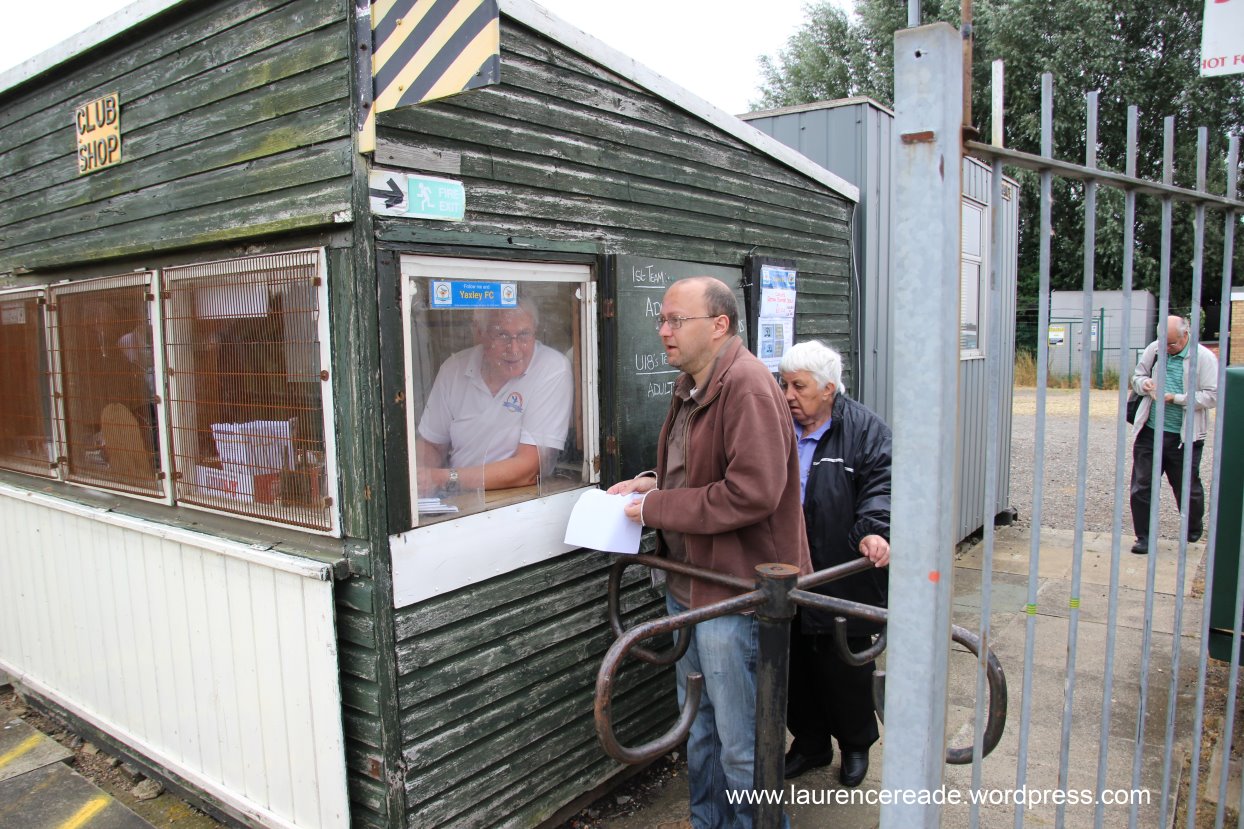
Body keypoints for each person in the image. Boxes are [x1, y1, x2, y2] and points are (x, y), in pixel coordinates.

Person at [608, 276, 811, 829]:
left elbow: (752, 492)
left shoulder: (747, 385)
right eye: (662, 320)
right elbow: (701, 473)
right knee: (700, 734)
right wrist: (652, 484)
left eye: (677, 320)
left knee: (742, 747)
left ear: (720, 325)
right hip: (689, 586)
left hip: (735, 595)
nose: (664, 331)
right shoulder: (691, 385)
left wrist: (657, 508)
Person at [776, 340, 890, 788]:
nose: (788, 395)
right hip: (786, 569)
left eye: (798, 386)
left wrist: (873, 530)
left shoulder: (864, 430)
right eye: (784, 384)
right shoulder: (778, 423)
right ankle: (809, 743)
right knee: (793, 664)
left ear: (828, 389)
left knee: (844, 666)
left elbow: (882, 486)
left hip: (841, 570)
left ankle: (855, 743)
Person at [416, 300, 573, 493]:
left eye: (524, 335)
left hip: (516, 497)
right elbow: (432, 444)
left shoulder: (551, 368)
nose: (514, 349)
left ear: (536, 332)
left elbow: (529, 469)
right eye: (502, 335)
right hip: (454, 494)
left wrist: (444, 478)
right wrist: (420, 476)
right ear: (479, 333)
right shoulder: (454, 368)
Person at [1129, 315, 1218, 555]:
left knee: (1187, 488)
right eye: (1163, 343)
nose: (1166, 348)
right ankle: (1144, 537)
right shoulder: (1155, 349)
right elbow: (1137, 377)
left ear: (1185, 335)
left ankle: (1193, 526)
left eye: (1171, 344)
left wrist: (1176, 398)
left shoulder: (1204, 358)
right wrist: (1144, 384)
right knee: (1141, 486)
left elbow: (1212, 396)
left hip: (1184, 437)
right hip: (1150, 432)